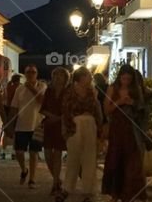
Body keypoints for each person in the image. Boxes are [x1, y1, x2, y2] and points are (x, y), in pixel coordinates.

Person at [102, 64, 148, 202]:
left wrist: (133, 102)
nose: (126, 81)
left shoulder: (136, 90)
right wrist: (120, 102)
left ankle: (129, 194)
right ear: (120, 77)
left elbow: (142, 109)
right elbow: (107, 110)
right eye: (124, 78)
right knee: (116, 161)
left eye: (128, 79)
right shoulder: (112, 88)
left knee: (132, 164)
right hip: (117, 129)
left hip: (132, 131)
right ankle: (115, 194)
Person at [59, 67, 102, 202]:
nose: (90, 78)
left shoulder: (92, 92)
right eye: (89, 76)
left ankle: (88, 191)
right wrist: (65, 129)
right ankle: (67, 188)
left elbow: (97, 109)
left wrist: (100, 128)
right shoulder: (69, 91)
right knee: (73, 158)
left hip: (90, 124)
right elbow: (65, 111)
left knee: (89, 158)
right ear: (81, 77)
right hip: (74, 125)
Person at [9, 64, 46, 188]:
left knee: (33, 152)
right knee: (19, 152)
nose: (30, 74)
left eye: (33, 72)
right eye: (28, 72)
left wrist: (31, 88)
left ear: (37, 74)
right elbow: (14, 107)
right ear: (25, 74)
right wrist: (10, 124)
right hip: (21, 125)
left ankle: (32, 179)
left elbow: (42, 100)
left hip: (37, 124)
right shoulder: (19, 89)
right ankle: (24, 170)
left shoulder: (42, 86)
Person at [41, 68, 69, 194]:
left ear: (65, 78)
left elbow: (70, 109)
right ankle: (56, 180)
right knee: (47, 155)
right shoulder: (49, 91)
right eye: (56, 75)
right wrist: (52, 117)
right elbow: (43, 109)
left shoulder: (68, 92)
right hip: (49, 125)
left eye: (61, 75)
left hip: (61, 126)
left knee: (57, 154)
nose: (58, 77)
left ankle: (55, 183)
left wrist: (60, 118)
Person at [1, 74, 21, 159]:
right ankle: (13, 152)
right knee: (16, 132)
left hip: (7, 110)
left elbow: (4, 98)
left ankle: (3, 151)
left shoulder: (8, 87)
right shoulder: (19, 88)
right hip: (16, 110)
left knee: (6, 132)